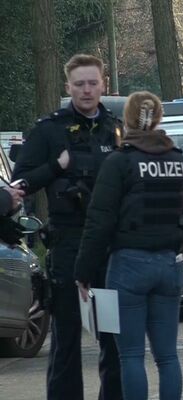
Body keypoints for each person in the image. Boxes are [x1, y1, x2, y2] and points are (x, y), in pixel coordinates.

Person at [73, 91, 183, 400]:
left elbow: (99, 221)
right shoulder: (178, 160)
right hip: (169, 265)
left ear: (126, 120)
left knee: (130, 355)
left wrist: (84, 271)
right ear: (158, 119)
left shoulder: (120, 162)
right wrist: (181, 252)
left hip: (128, 265)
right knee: (167, 356)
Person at [12, 53, 123, 400]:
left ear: (104, 84)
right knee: (66, 340)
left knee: (113, 340)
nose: (87, 90)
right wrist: (57, 168)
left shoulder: (117, 128)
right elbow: (20, 185)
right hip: (67, 246)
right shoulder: (49, 130)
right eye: (79, 84)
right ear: (68, 87)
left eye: (93, 83)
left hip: (109, 247)